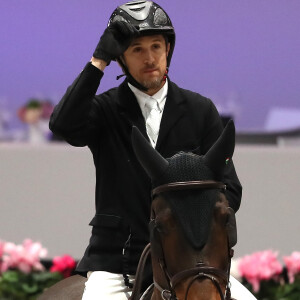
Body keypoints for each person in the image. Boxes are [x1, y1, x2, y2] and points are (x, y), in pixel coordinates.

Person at [49, 1, 243, 299]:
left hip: (193, 263)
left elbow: (230, 190)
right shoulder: (106, 110)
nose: (150, 58)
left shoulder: (200, 110)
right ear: (121, 58)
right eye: (137, 49)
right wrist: (98, 61)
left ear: (168, 50)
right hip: (118, 260)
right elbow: (63, 125)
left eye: (156, 46)